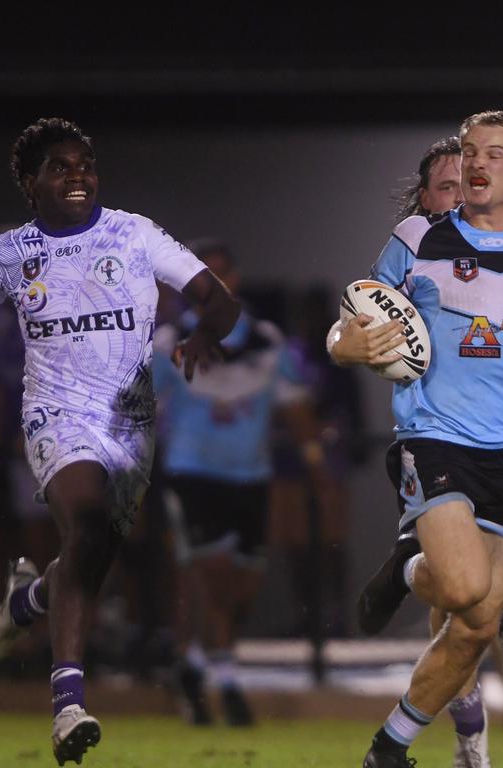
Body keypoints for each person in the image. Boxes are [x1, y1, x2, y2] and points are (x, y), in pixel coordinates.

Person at [0, 117, 240, 766]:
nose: (76, 175)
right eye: (59, 166)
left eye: (84, 164)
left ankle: (28, 600)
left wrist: (204, 331)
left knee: (96, 550)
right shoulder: (9, 256)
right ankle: (68, 703)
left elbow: (218, 299)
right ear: (30, 183)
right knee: (89, 528)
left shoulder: (134, 234)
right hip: (56, 415)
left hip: (129, 421)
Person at [330, 110, 503, 768]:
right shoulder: (418, 238)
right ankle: (417, 566)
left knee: (477, 621)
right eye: (471, 152)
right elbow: (348, 320)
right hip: (437, 439)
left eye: (495, 155)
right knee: (460, 587)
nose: (478, 165)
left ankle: (388, 748)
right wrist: (348, 345)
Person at [151, 239, 329, 726]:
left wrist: (316, 463)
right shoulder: (169, 345)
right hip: (192, 474)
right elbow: (141, 407)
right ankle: (227, 683)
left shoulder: (268, 341)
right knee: (209, 575)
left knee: (244, 584)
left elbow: (296, 409)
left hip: (250, 477)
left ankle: (190, 665)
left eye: (221, 274)